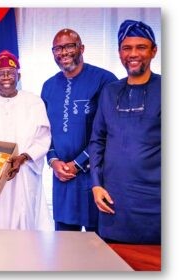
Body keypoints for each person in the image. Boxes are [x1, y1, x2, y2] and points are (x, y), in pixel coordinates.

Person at [89, 20, 161, 244]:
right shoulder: (110, 91)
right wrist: (96, 184)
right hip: (112, 199)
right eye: (126, 48)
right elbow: (97, 141)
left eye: (141, 47)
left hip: (156, 202)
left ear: (153, 51)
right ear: (119, 53)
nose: (133, 54)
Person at [0, 50, 53, 231]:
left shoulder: (34, 102)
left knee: (24, 224)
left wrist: (23, 158)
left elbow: (43, 140)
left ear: (18, 76)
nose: (6, 77)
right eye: (1, 74)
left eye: (11, 73)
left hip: (24, 174)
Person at [41, 29, 118, 232]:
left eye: (69, 46)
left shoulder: (105, 80)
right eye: (58, 48)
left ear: (81, 48)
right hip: (62, 179)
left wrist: (78, 163)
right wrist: (53, 160)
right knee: (64, 246)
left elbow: (110, 130)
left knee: (98, 247)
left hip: (96, 177)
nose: (63, 52)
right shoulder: (48, 86)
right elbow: (43, 130)